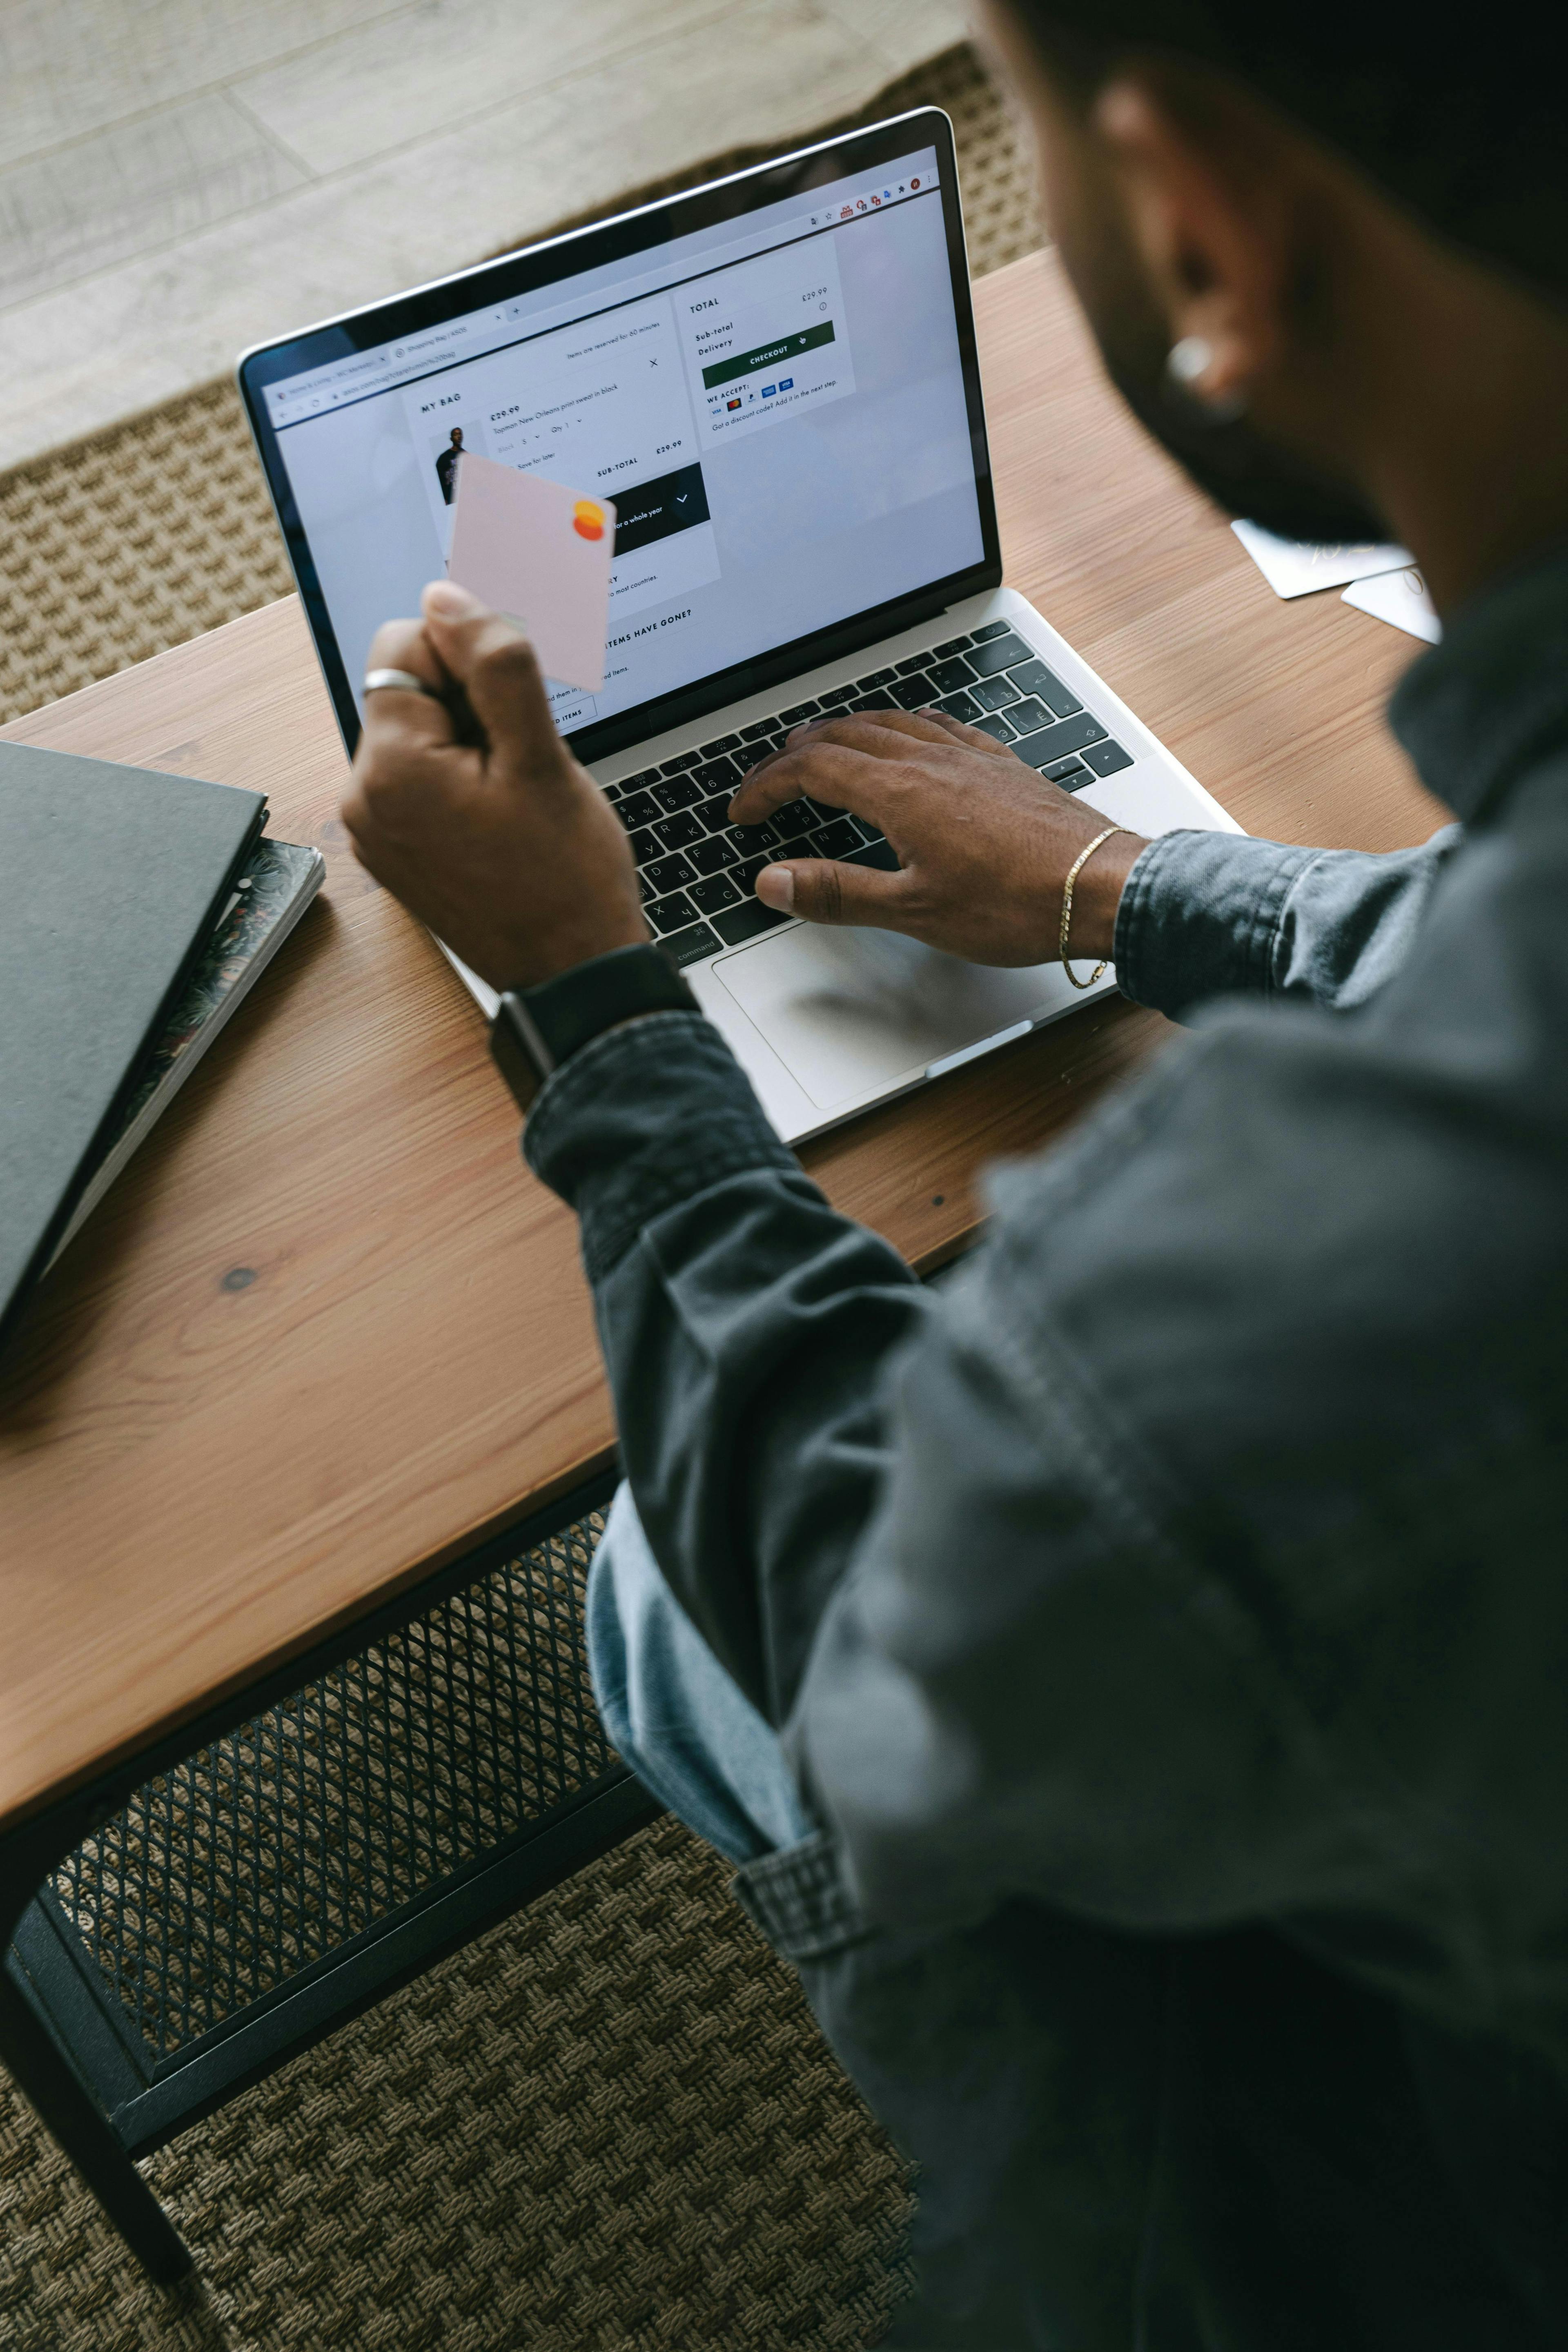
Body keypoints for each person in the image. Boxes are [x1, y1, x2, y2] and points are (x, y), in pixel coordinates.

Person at [341, 0, 1568, 2340]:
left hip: (1404, 2201)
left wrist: (592, 990)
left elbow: (869, 1592)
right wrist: (1114, 880)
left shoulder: (1258, 1295)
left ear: (1206, 227)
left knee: (656, 1582)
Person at [435, 425, 466, 504]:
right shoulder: (444, 458)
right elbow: (437, 479)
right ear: (451, 439)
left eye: (460, 434)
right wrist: (443, 498)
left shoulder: (466, 455)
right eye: (456, 435)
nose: (459, 437)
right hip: (451, 499)